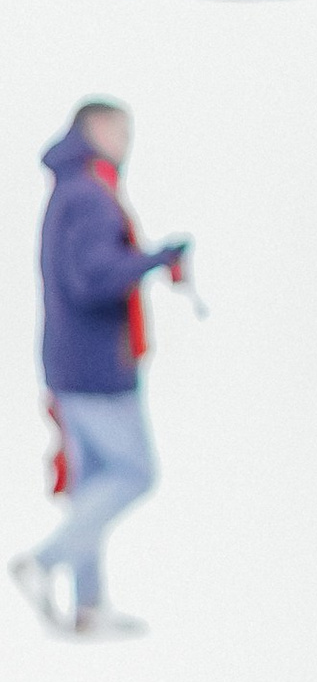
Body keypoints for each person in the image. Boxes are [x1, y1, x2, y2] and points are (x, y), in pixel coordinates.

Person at [10, 104, 189, 637]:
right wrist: (151, 261)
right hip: (95, 363)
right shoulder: (89, 194)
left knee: (92, 483)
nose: (125, 140)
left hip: (72, 358)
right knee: (134, 473)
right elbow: (92, 278)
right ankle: (45, 562)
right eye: (117, 129)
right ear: (92, 130)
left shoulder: (75, 188)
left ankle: (88, 606)